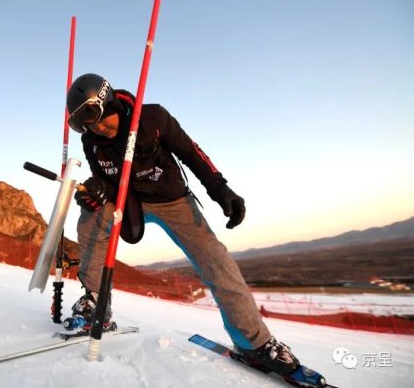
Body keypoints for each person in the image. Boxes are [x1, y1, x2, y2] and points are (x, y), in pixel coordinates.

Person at [66, 73, 300, 376]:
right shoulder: (92, 143)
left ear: (108, 102)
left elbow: (192, 153)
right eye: (86, 125)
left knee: (215, 260)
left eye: (97, 118)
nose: (96, 128)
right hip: (130, 200)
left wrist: (220, 189)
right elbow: (107, 181)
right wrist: (96, 190)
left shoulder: (152, 118)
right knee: (91, 219)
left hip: (172, 200)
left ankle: (254, 344)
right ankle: (96, 303)